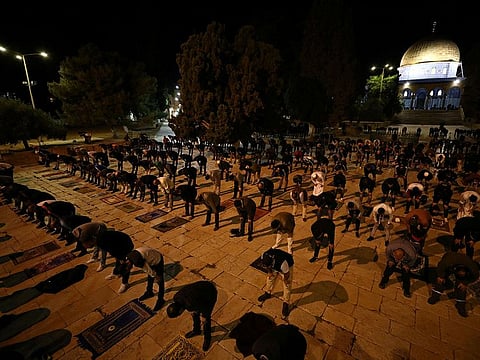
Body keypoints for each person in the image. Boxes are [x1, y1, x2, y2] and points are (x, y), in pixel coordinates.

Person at [166, 280, 218, 351]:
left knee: (206, 320)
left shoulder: (190, 304)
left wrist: (205, 316)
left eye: (178, 315)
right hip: (200, 288)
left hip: (210, 293)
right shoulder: (176, 297)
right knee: (195, 314)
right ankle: (196, 330)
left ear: (180, 311)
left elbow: (204, 306)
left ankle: (207, 338)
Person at [427, 252, 480, 317]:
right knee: (440, 282)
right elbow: (441, 266)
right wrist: (441, 276)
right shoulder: (448, 261)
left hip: (462, 269)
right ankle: (435, 297)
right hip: (448, 264)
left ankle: (460, 306)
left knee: (462, 288)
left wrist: (465, 283)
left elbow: (475, 277)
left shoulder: (473, 268)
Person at [124, 247, 165, 311]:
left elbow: (148, 270)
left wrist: (156, 276)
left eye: (128, 268)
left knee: (160, 280)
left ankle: (161, 299)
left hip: (157, 259)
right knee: (150, 277)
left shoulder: (137, 260)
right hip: (149, 259)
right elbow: (149, 270)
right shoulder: (127, 258)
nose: (130, 269)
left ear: (127, 263)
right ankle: (149, 292)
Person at [257, 248, 294, 318]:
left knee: (287, 285)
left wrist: (285, 280)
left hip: (288, 265)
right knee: (270, 279)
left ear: (272, 263)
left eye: (269, 266)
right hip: (275, 264)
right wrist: (270, 272)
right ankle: (268, 293)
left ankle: (286, 302)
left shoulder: (283, 263)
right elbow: (267, 267)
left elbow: (287, 273)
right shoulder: (263, 255)